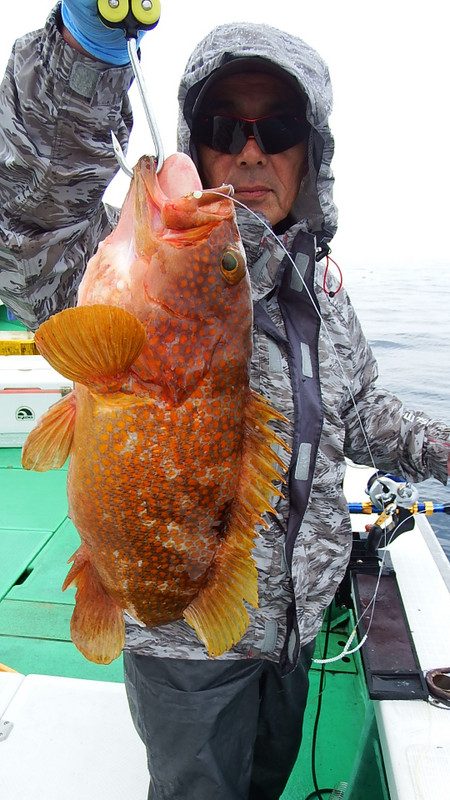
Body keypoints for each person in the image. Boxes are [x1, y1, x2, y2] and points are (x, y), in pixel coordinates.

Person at [0, 4, 449, 799]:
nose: (249, 150)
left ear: (312, 154)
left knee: (263, 782)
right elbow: (30, 207)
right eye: (222, 123)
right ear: (192, 134)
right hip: (181, 643)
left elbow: (364, 410)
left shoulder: (323, 293)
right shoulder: (120, 265)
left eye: (277, 128)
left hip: (291, 632)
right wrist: (86, 55)